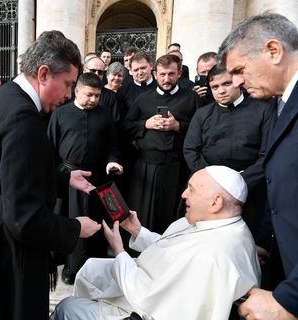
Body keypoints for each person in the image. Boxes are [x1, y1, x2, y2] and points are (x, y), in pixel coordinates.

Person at [0, 30, 101, 320]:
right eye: (67, 84)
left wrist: (63, 178)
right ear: (44, 74)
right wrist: (74, 228)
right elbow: (25, 218)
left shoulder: (2, 99)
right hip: (6, 248)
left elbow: (7, 171)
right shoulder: (22, 120)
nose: (68, 95)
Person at [54, 166, 261, 320]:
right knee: (91, 269)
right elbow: (169, 247)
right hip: (150, 285)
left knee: (67, 308)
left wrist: (119, 250)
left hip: (146, 309)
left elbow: (150, 298)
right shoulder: (214, 222)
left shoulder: (214, 254)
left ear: (215, 203)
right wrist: (137, 231)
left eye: (192, 189)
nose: (183, 194)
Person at [218, 12, 298, 319]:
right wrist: (267, 241)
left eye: (240, 69)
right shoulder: (280, 103)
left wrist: (290, 300)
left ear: (273, 51)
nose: (236, 81)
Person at [48, 72, 122, 284]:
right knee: (70, 222)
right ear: (76, 91)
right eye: (89, 95)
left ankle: (93, 267)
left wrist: (112, 161)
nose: (94, 100)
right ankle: (71, 267)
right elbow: (50, 148)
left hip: (96, 179)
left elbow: (113, 147)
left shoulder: (105, 115)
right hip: (67, 179)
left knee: (96, 224)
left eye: (97, 96)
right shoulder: (60, 114)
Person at [183, 64, 273, 237]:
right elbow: (191, 150)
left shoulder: (262, 110)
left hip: (250, 190)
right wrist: (211, 182)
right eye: (215, 87)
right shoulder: (202, 114)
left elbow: (267, 154)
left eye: (226, 84)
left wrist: (239, 181)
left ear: (239, 82)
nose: (221, 91)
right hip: (207, 192)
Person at [122, 54, 201, 234]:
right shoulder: (142, 99)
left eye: (171, 74)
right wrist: (146, 124)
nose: (167, 79)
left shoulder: (191, 98)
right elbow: (125, 127)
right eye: (163, 74)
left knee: (170, 218)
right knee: (142, 219)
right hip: (145, 167)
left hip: (176, 167)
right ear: (155, 73)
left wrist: (178, 126)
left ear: (179, 73)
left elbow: (201, 132)